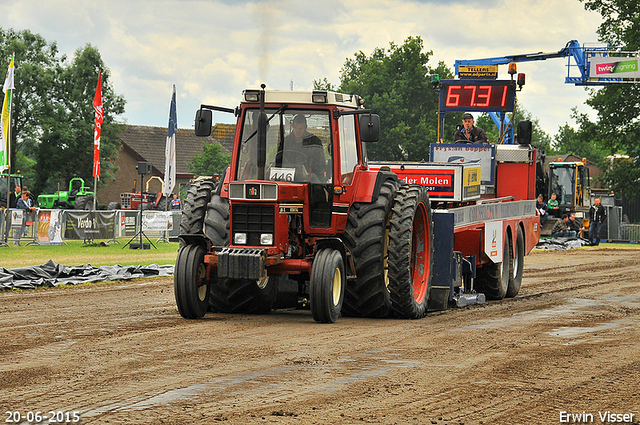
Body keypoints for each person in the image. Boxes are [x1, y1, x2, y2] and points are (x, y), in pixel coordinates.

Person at [276, 114, 326, 181]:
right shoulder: (285, 142)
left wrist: (308, 169)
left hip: (309, 177)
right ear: (292, 126)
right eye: (296, 128)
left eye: (300, 129)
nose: (298, 131)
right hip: (288, 176)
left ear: (305, 127)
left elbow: (321, 164)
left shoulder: (315, 142)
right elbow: (278, 160)